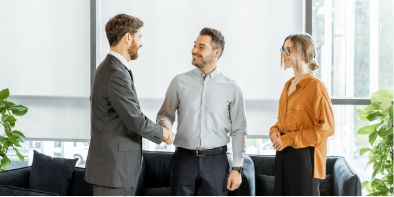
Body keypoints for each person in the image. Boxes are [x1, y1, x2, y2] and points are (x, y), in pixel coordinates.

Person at [84, 14, 174, 197]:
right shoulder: (114, 72)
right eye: (139, 37)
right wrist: (163, 133)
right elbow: (135, 120)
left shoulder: (111, 68)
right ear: (127, 37)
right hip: (112, 173)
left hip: (115, 172)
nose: (141, 43)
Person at [157, 27, 247, 196]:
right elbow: (165, 114)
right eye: (194, 45)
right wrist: (166, 126)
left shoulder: (233, 88)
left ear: (216, 52)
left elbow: (239, 130)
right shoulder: (179, 82)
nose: (194, 50)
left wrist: (237, 168)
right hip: (183, 160)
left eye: (201, 47)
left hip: (216, 162)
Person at [270, 33, 335, 196]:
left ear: (303, 54)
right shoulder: (288, 85)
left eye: (289, 50)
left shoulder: (316, 87)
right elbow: (284, 122)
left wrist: (289, 139)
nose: (284, 54)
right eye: (283, 49)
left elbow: (327, 128)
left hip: (305, 157)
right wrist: (274, 131)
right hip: (283, 154)